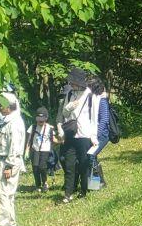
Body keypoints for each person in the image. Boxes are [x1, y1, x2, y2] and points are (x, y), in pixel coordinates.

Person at [57, 76, 99, 204]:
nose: (71, 84)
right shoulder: (70, 94)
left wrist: (93, 136)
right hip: (71, 134)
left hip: (84, 135)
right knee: (69, 165)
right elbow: (64, 114)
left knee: (83, 164)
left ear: (79, 82)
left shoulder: (91, 97)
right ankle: (68, 194)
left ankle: (84, 190)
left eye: (73, 82)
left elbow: (94, 119)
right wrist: (69, 106)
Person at [0, 92, 26, 226]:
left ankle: (4, 225)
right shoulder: (6, 121)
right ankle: (10, 222)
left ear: (9, 106)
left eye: (2, 105)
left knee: (4, 194)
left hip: (8, 161)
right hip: (2, 159)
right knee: (5, 193)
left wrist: (9, 166)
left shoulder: (15, 123)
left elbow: (15, 147)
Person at [25, 108, 55, 192]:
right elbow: (28, 140)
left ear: (46, 119)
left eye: (42, 120)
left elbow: (54, 139)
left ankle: (45, 183)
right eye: (39, 120)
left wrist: (62, 140)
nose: (40, 122)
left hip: (45, 150)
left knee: (42, 167)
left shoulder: (50, 128)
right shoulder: (33, 127)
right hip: (35, 149)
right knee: (35, 167)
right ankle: (37, 185)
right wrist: (26, 150)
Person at [90, 79, 111, 188]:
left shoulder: (102, 101)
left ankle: (98, 182)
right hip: (95, 134)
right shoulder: (94, 100)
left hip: (102, 135)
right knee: (93, 156)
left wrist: (96, 135)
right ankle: (97, 183)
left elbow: (104, 120)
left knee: (91, 156)